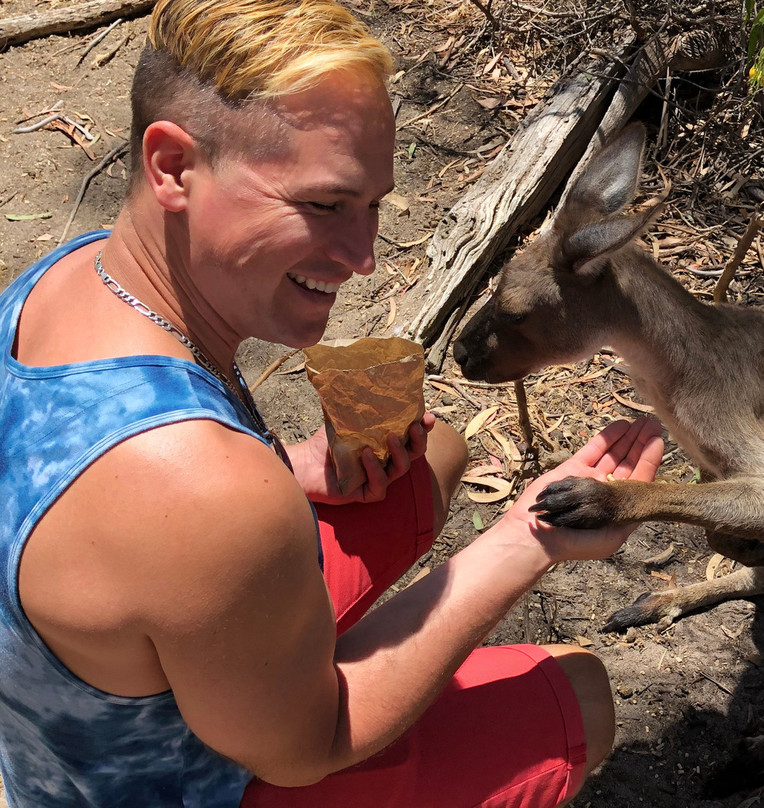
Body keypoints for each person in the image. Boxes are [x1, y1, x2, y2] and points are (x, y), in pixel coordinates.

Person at [0, 0, 664, 806]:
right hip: (196, 779)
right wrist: (527, 540)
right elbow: (307, 746)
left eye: (373, 204)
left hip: (94, 703)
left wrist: (288, 466)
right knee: (579, 693)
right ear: (173, 166)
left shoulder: (65, 278)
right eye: (322, 205)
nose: (365, 258)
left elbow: (142, 505)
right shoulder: (206, 490)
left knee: (436, 452)